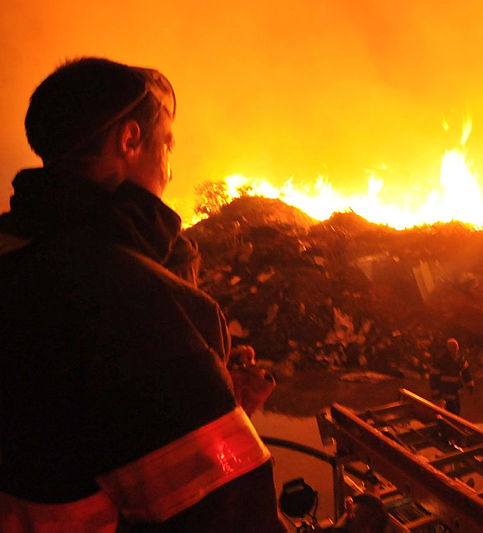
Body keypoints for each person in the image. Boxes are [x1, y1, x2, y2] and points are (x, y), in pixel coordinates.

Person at [0, 58, 285, 531]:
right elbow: (226, 514)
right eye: (167, 143)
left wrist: (210, 394)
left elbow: (70, 431)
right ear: (130, 140)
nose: (170, 168)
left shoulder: (18, 258)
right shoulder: (132, 299)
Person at [429, 338, 474, 415]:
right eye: (453, 348)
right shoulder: (440, 361)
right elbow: (433, 376)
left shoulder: (460, 360)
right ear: (448, 348)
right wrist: (435, 390)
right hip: (444, 390)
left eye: (456, 348)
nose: (455, 350)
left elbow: (466, 373)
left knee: (456, 410)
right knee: (447, 411)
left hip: (456, 390)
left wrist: (470, 385)